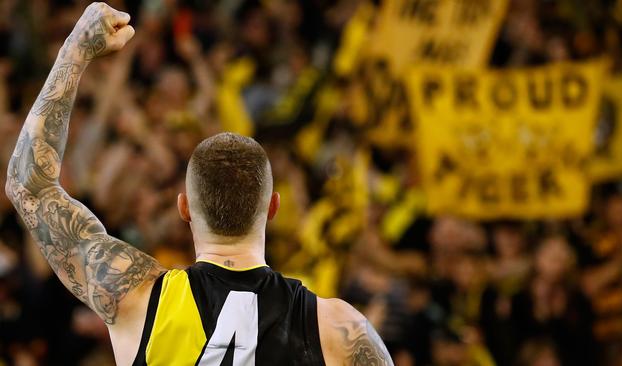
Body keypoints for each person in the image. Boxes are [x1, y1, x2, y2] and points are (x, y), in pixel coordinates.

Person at [3, 3, 393, 366]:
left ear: (184, 208)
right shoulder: (339, 329)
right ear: (273, 207)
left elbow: (27, 186)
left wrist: (74, 51)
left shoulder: (133, 294)